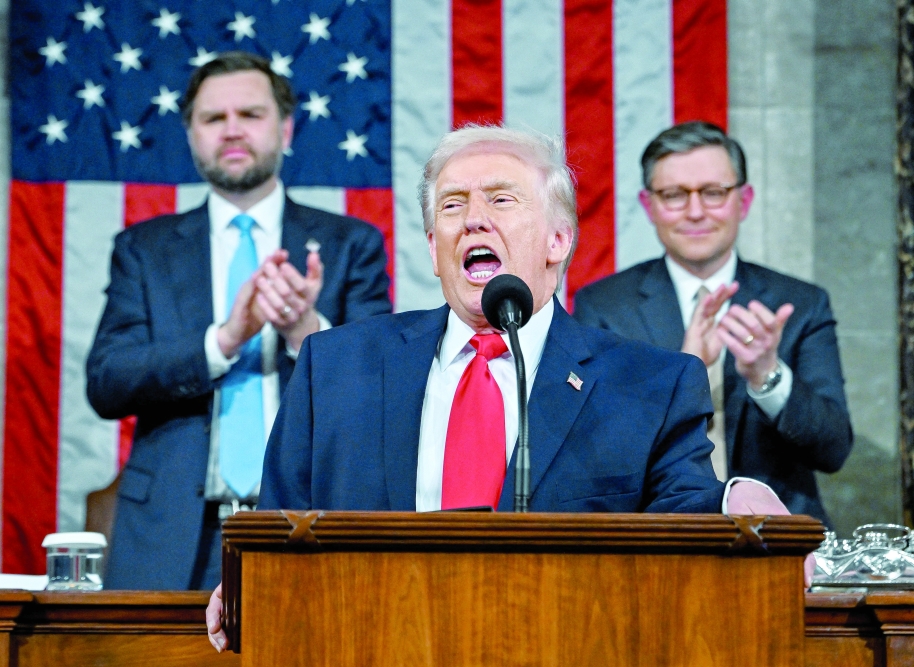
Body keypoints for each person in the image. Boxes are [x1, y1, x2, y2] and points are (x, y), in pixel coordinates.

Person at [204, 124, 798, 651]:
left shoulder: (649, 383)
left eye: (502, 200)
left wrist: (732, 496)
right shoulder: (335, 367)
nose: (474, 219)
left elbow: (678, 517)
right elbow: (277, 528)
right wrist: (247, 579)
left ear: (558, 242)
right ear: (435, 250)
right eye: (453, 205)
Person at [85, 51, 392, 590]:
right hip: (174, 533)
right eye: (212, 118)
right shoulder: (144, 249)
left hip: (308, 522)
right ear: (190, 134)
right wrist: (223, 340)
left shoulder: (350, 245)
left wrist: (306, 330)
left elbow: (383, 391)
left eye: (250, 115)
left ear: (286, 127)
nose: (231, 131)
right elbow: (107, 381)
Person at [573, 121, 853, 527]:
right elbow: (596, 454)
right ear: (649, 205)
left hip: (779, 540)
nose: (695, 211)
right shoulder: (605, 306)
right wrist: (684, 372)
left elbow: (833, 450)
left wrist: (767, 376)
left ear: (744, 199)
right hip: (659, 537)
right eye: (674, 195)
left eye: (713, 193)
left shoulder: (800, 304)